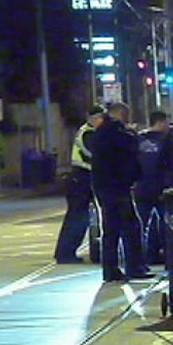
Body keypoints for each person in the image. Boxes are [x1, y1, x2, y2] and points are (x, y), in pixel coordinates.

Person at [90, 102, 151, 283]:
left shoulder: (101, 133)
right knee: (128, 227)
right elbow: (129, 152)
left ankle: (113, 269)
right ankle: (132, 267)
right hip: (116, 188)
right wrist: (131, 134)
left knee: (112, 229)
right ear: (120, 114)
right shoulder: (116, 133)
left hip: (105, 187)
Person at [53, 105, 105, 264]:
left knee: (79, 217)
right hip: (81, 179)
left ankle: (65, 252)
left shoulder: (89, 132)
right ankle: (65, 253)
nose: (102, 122)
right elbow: (96, 154)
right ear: (93, 119)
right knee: (77, 218)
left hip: (82, 179)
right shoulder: (88, 134)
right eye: (100, 118)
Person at [134, 109, 169, 265]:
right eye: (166, 122)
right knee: (166, 226)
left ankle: (142, 260)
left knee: (140, 226)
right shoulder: (168, 140)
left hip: (142, 188)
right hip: (162, 189)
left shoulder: (138, 140)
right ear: (160, 123)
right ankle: (169, 259)